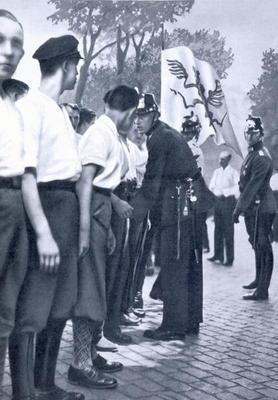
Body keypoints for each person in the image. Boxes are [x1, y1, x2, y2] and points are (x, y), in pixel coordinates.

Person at [9, 35, 84, 400]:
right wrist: (43, 233)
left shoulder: (57, 110)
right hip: (47, 206)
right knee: (34, 307)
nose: (77, 72)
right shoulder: (31, 105)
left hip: (65, 208)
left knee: (61, 303)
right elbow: (27, 174)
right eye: (76, 65)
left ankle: (45, 384)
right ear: (67, 66)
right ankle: (25, 392)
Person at [69, 85, 139, 388]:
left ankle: (90, 353)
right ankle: (80, 364)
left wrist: (106, 225)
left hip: (101, 208)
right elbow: (85, 182)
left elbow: (101, 185)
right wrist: (86, 230)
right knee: (89, 287)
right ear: (130, 111)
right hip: (93, 207)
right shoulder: (101, 133)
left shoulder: (111, 132)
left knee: (98, 285)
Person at [130, 93, 215, 341]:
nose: (138, 121)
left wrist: (132, 210)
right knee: (188, 264)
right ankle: (188, 322)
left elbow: (151, 183)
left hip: (179, 205)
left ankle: (173, 326)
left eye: (143, 115)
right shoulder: (164, 133)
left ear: (154, 114)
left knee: (174, 262)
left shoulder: (160, 138)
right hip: (189, 201)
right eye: (136, 116)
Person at [0, 9, 27, 386]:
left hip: (15, 203)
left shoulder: (15, 104)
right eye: (0, 40)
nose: (8, 51)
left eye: (16, 43)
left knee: (7, 313)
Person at [233, 115, 276, 300]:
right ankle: (259, 280)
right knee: (257, 245)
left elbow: (253, 186)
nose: (250, 136)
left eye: (254, 133)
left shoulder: (261, 157)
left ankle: (263, 290)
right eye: (247, 132)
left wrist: (238, 208)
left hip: (261, 206)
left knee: (263, 246)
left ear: (261, 134)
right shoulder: (252, 153)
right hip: (254, 207)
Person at [181, 113, 210, 253]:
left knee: (191, 229)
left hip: (191, 191)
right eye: (186, 133)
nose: (187, 135)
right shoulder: (187, 147)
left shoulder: (192, 149)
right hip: (188, 190)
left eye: (189, 133)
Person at [208, 150, 239, 266]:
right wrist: (215, 192)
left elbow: (238, 186)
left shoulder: (233, 172)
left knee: (228, 230)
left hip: (228, 201)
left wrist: (225, 192)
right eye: (219, 159)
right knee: (218, 229)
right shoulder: (217, 172)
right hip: (218, 201)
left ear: (228, 159)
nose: (220, 161)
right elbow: (212, 185)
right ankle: (218, 254)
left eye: (223, 159)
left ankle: (230, 258)